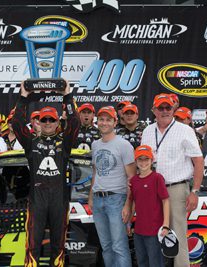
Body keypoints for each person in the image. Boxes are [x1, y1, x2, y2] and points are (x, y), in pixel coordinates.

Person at [12, 81, 80, 266]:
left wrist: (67, 94)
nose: (48, 123)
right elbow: (16, 123)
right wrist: (23, 97)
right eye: (44, 120)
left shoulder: (64, 142)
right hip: (37, 201)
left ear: (58, 121)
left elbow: (75, 122)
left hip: (59, 200)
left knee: (58, 246)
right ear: (38, 123)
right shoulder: (31, 141)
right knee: (32, 246)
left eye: (52, 119)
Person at [141, 94, 204, 267]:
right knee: (154, 234)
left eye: (168, 108)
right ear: (153, 110)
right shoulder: (147, 131)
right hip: (152, 190)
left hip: (175, 189)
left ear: (174, 109)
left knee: (178, 236)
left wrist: (195, 191)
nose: (164, 111)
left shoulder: (185, 130)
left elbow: (198, 160)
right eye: (160, 108)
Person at [88, 106, 136, 267]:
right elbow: (96, 173)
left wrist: (128, 205)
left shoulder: (124, 145)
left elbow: (132, 178)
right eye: (101, 119)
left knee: (119, 246)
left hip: (116, 199)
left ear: (115, 122)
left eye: (108, 119)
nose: (104, 123)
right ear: (97, 122)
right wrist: (91, 197)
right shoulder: (95, 145)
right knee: (106, 247)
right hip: (98, 199)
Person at [127, 145, 169, 267]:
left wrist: (166, 225)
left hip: (155, 231)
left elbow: (166, 201)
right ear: (135, 161)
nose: (143, 162)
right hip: (139, 231)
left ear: (152, 160)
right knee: (142, 262)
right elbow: (133, 202)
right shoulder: (134, 181)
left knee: (156, 262)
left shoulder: (157, 178)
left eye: (146, 159)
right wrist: (129, 222)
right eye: (140, 159)